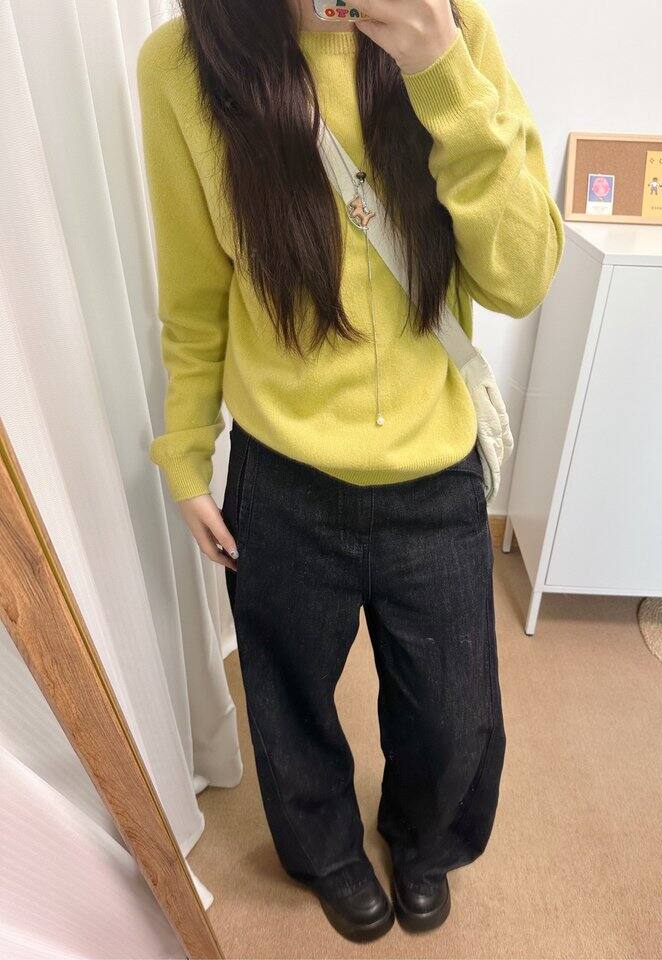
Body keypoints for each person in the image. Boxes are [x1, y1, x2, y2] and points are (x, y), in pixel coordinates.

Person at [137, 0, 563, 942]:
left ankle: (424, 842)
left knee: (453, 715)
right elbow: (195, 293)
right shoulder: (182, 64)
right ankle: (327, 853)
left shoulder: (452, 28)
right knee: (287, 706)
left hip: (433, 472)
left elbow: (523, 275)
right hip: (282, 481)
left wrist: (441, 70)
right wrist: (186, 454)